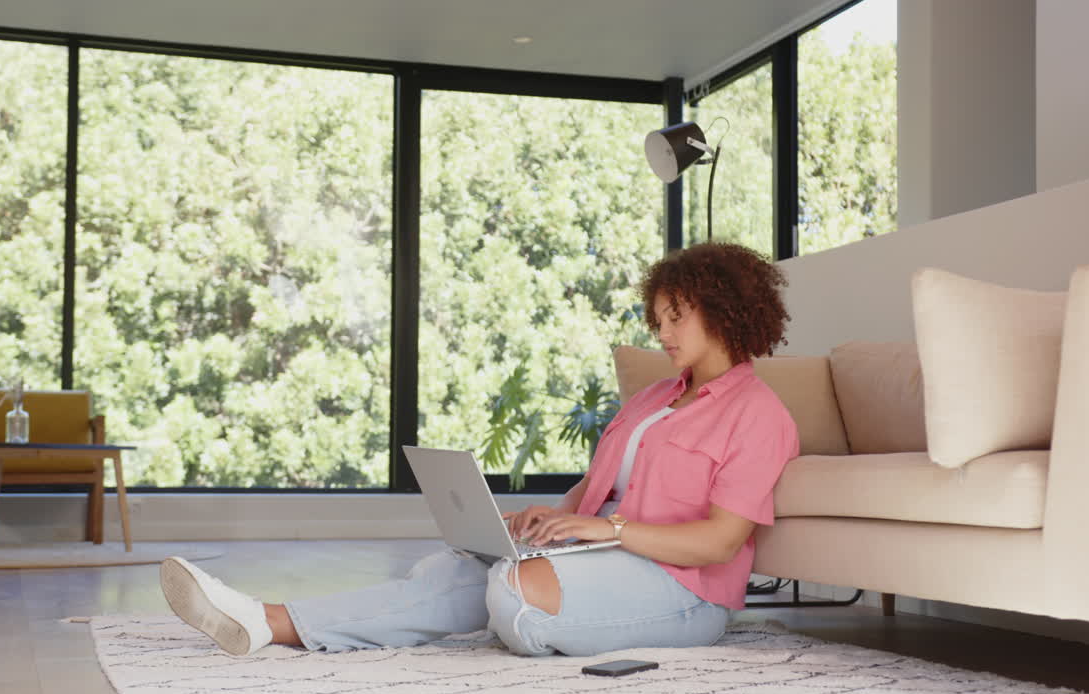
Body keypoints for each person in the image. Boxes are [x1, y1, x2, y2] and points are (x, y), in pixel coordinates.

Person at [159, 241, 799, 657]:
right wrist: (551, 519)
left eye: (674, 317)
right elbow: (594, 487)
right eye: (655, 318)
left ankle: (279, 622)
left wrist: (606, 528)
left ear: (723, 312)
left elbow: (718, 543)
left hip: (684, 592)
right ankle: (265, 621)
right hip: (604, 549)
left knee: (512, 592)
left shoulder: (758, 415)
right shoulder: (653, 397)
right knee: (454, 568)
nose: (661, 332)